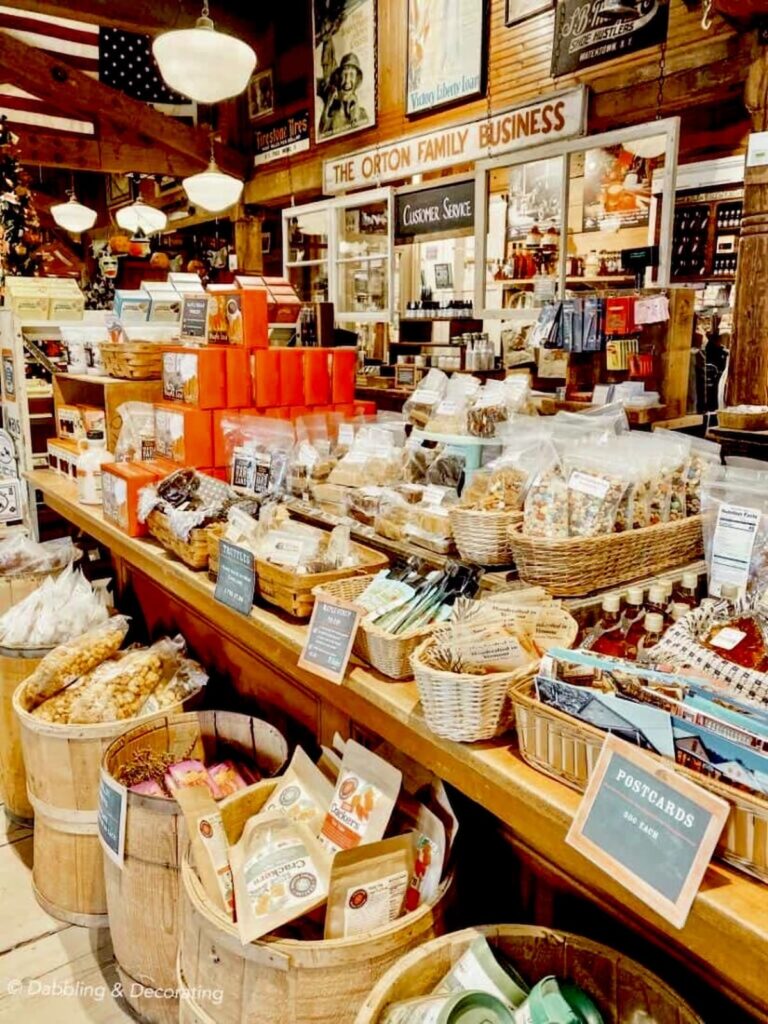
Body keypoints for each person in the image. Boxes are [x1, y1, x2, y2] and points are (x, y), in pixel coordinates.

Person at [319, 52, 369, 136]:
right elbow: (322, 132)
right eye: (344, 75)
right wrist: (327, 105)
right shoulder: (331, 114)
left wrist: (356, 109)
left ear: (356, 80)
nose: (347, 81)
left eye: (352, 75)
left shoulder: (362, 113)